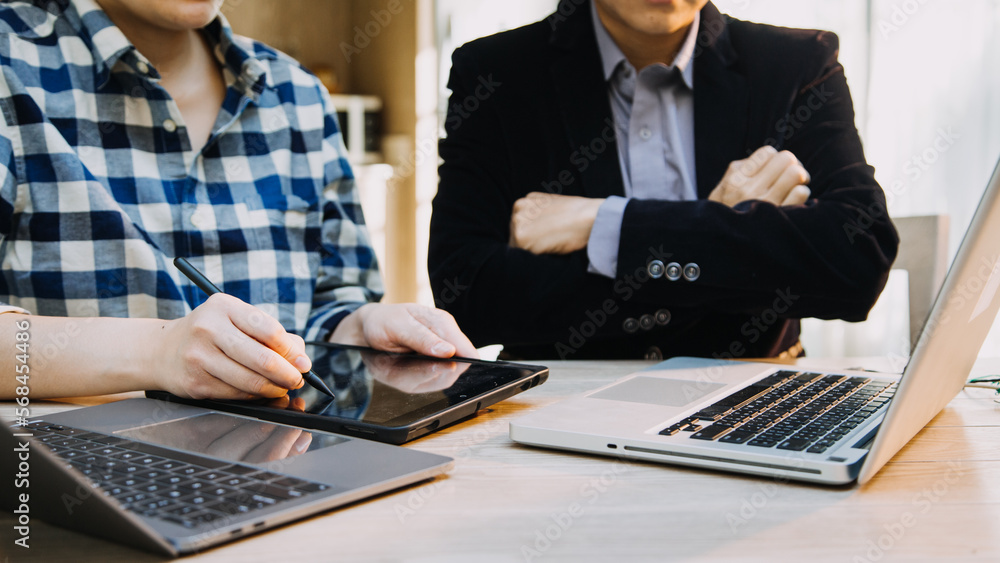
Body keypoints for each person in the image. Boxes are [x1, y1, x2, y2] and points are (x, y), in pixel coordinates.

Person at [0, 0, 476, 401]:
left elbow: (328, 303)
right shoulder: (10, 63)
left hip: (284, 473)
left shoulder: (297, 95)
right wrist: (156, 352)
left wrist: (357, 330)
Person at [429, 0, 899, 361]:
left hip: (754, 399)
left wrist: (605, 225)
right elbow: (466, 294)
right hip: (558, 409)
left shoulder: (797, 65)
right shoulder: (497, 73)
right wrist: (719, 222)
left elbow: (859, 259)